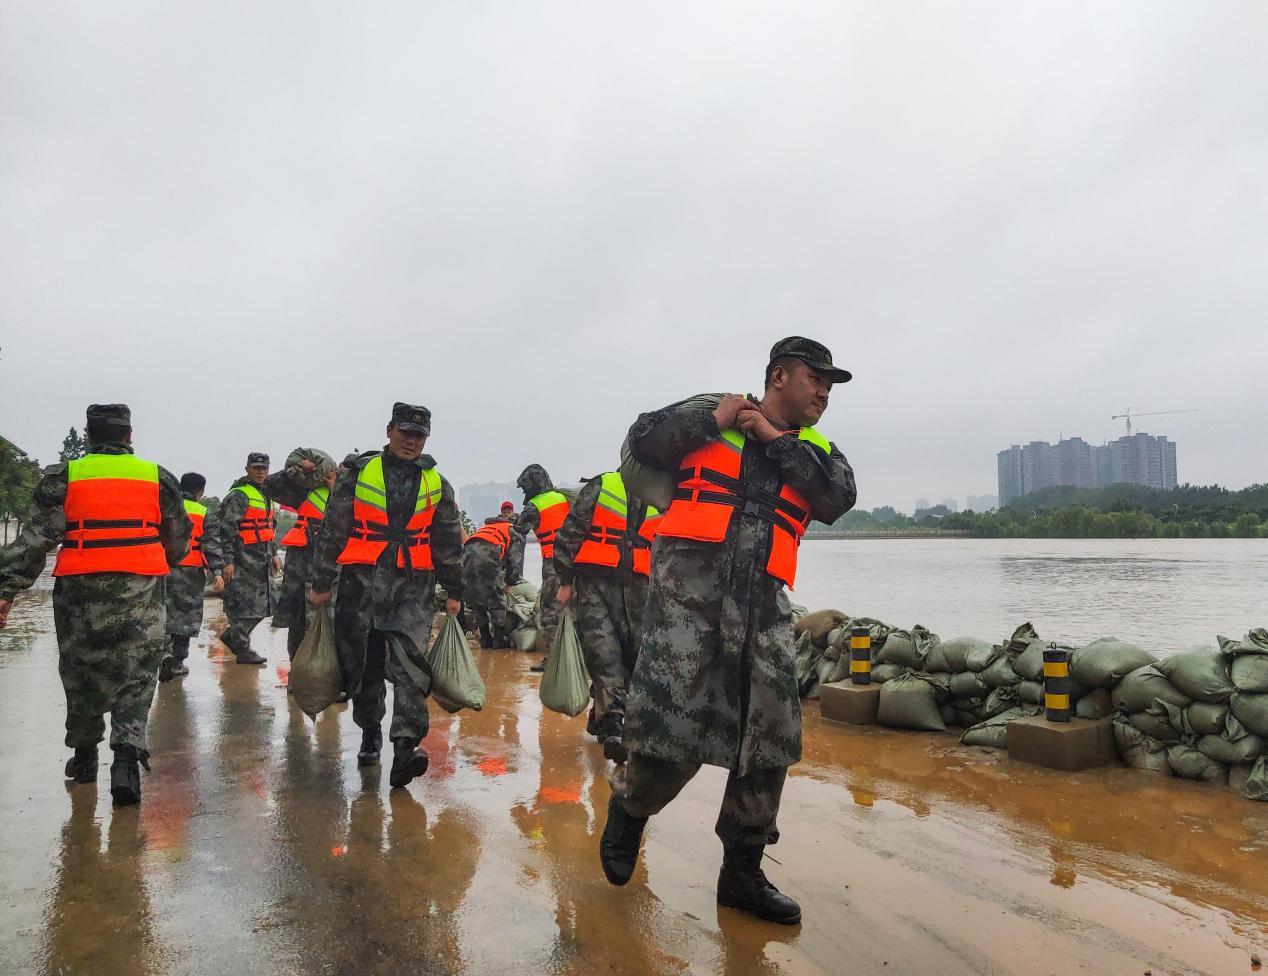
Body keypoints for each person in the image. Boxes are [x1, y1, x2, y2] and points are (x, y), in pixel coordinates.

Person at [600, 337, 857, 925]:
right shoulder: (712, 416)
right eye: (814, 379)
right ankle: (628, 811)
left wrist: (775, 441)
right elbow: (644, 439)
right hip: (688, 605)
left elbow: (837, 498)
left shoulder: (817, 450)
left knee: (768, 742)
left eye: (830, 385)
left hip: (764, 612)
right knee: (672, 729)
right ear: (777, 376)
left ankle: (741, 874)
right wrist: (712, 419)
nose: (823, 393)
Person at [0, 404, 190, 805]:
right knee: (138, 672)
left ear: (89, 435)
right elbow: (177, 540)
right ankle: (125, 758)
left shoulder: (64, 477)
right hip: (141, 587)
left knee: (81, 670)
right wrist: (158, 560)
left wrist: (7, 591)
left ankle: (85, 757)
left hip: (79, 593)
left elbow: (33, 540)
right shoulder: (158, 478)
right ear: (129, 435)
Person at [308, 403, 464, 789]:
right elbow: (333, 529)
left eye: (419, 435)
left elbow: (446, 540)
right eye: (405, 432)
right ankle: (370, 733)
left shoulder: (437, 483)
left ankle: (406, 746)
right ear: (390, 430)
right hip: (362, 582)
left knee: (411, 666)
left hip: (413, 584)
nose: (411, 441)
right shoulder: (356, 476)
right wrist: (322, 582)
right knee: (365, 666)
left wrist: (455, 590)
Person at [551, 471, 660, 762]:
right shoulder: (603, 485)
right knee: (603, 652)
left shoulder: (662, 492)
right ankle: (613, 725)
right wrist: (564, 580)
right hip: (595, 582)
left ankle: (602, 717)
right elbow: (570, 532)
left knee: (635, 656)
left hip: (640, 586)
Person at [203, 452, 278, 665]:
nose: (260, 471)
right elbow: (225, 530)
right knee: (243, 605)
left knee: (267, 605)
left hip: (262, 560)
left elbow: (269, 528)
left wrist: (273, 554)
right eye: (256, 468)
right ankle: (243, 648)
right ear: (247, 469)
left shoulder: (266, 495)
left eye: (264, 468)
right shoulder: (239, 495)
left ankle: (234, 637)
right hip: (242, 560)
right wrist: (226, 561)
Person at [262, 448, 336, 659]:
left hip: (327, 563)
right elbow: (269, 485)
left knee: (324, 619)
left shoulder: (345, 494)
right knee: (296, 617)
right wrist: (296, 469)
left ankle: (321, 671)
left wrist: (334, 490)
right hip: (299, 559)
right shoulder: (308, 490)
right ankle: (297, 670)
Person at [514, 465, 570, 668]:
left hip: (553, 564)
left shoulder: (535, 505)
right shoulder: (563, 498)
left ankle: (554, 661)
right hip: (575, 561)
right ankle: (577, 657)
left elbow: (519, 528)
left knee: (549, 611)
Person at [159, 472, 209, 682]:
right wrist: (218, 570)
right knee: (187, 616)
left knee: (164, 610)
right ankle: (178, 661)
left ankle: (163, 653)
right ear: (201, 492)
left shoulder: (166, 507)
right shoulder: (204, 512)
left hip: (164, 566)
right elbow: (212, 544)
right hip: (192, 571)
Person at [462, 514, 525, 648]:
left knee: (477, 599)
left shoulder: (487, 527)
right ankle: (498, 640)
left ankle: (485, 639)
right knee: (496, 599)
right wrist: (510, 584)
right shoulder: (512, 530)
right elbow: (515, 561)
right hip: (488, 556)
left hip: (466, 557)